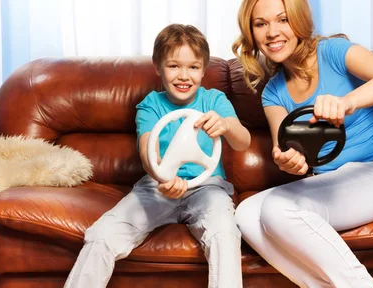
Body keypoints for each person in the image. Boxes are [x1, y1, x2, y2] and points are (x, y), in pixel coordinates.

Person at [231, 0, 373, 287]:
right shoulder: (273, 93)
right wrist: (290, 161)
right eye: (260, 24)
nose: (272, 32)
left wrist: (348, 102)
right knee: (247, 212)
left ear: (299, 20)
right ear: (252, 33)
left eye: (283, 19)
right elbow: (289, 147)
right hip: (329, 183)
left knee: (277, 208)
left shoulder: (334, 52)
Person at [65, 24, 251, 288]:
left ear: (204, 69)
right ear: (158, 67)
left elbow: (243, 142)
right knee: (102, 234)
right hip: (156, 187)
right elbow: (146, 152)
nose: (184, 76)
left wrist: (227, 125)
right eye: (174, 66)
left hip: (207, 188)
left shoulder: (214, 100)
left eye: (193, 67)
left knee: (224, 233)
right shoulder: (150, 105)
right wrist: (162, 176)